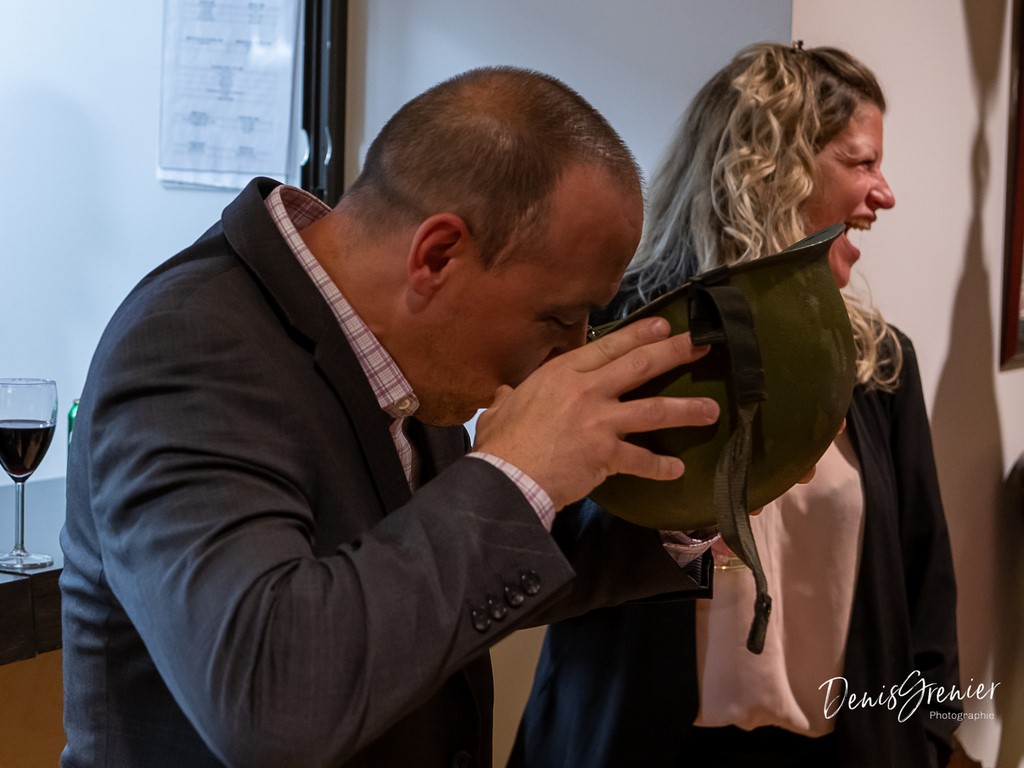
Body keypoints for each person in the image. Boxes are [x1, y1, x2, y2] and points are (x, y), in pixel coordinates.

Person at [59, 66, 726, 768]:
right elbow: (269, 698)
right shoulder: (189, 346)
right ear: (437, 256)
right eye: (558, 318)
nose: (566, 353)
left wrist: (691, 491)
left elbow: (422, 585)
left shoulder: (408, 346)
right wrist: (512, 472)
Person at [511, 43, 961, 768]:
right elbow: (540, 549)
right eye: (862, 162)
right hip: (637, 744)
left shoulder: (877, 362)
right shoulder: (613, 334)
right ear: (774, 166)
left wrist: (931, 738)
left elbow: (925, 581)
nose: (885, 194)